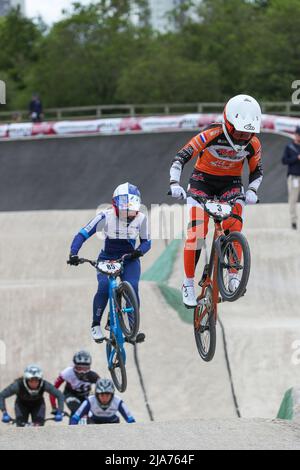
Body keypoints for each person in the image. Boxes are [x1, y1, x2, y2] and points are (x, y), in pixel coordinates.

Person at [169, 94, 263, 308]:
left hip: (231, 184)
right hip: (202, 182)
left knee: (235, 225)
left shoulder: (254, 144)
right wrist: (174, 183)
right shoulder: (210, 134)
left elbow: (257, 170)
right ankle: (188, 284)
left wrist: (252, 190)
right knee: (197, 233)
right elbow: (180, 158)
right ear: (228, 123)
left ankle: (233, 275)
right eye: (239, 131)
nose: (242, 137)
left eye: (248, 132)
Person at [68, 183, 151, 343]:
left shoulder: (141, 219)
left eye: (132, 210)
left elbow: (147, 242)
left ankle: (133, 328)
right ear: (115, 207)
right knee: (105, 287)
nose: (128, 214)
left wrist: (139, 251)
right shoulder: (105, 216)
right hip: (107, 258)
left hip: (129, 259)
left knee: (132, 287)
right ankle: (96, 325)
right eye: (125, 210)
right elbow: (83, 233)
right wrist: (73, 253)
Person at [0, 365, 64, 427]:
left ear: (40, 380)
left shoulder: (44, 384)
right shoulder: (17, 385)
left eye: (36, 381)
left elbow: (60, 395)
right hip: (21, 405)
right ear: (26, 380)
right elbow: (1, 395)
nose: (34, 383)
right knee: (20, 427)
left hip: (38, 405)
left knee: (39, 427)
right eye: (31, 380)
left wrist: (59, 412)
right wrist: (4, 413)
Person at [50, 350, 99, 421]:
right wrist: (54, 407)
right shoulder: (67, 373)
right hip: (70, 394)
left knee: (91, 415)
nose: (82, 372)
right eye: (79, 368)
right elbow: (53, 390)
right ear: (74, 366)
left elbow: (103, 389)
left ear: (89, 367)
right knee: (78, 410)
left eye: (85, 369)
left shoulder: (93, 375)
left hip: (86, 396)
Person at [70, 378, 135, 425]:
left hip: (113, 423)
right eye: (102, 395)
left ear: (112, 395)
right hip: (94, 423)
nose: (105, 398)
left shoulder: (118, 401)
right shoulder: (90, 400)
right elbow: (75, 418)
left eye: (107, 395)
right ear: (97, 394)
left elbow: (130, 420)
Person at [282, 126, 300, 230]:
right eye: (298, 134)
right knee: (293, 200)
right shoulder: (289, 147)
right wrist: (296, 158)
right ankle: (294, 221)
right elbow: (284, 160)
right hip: (294, 177)